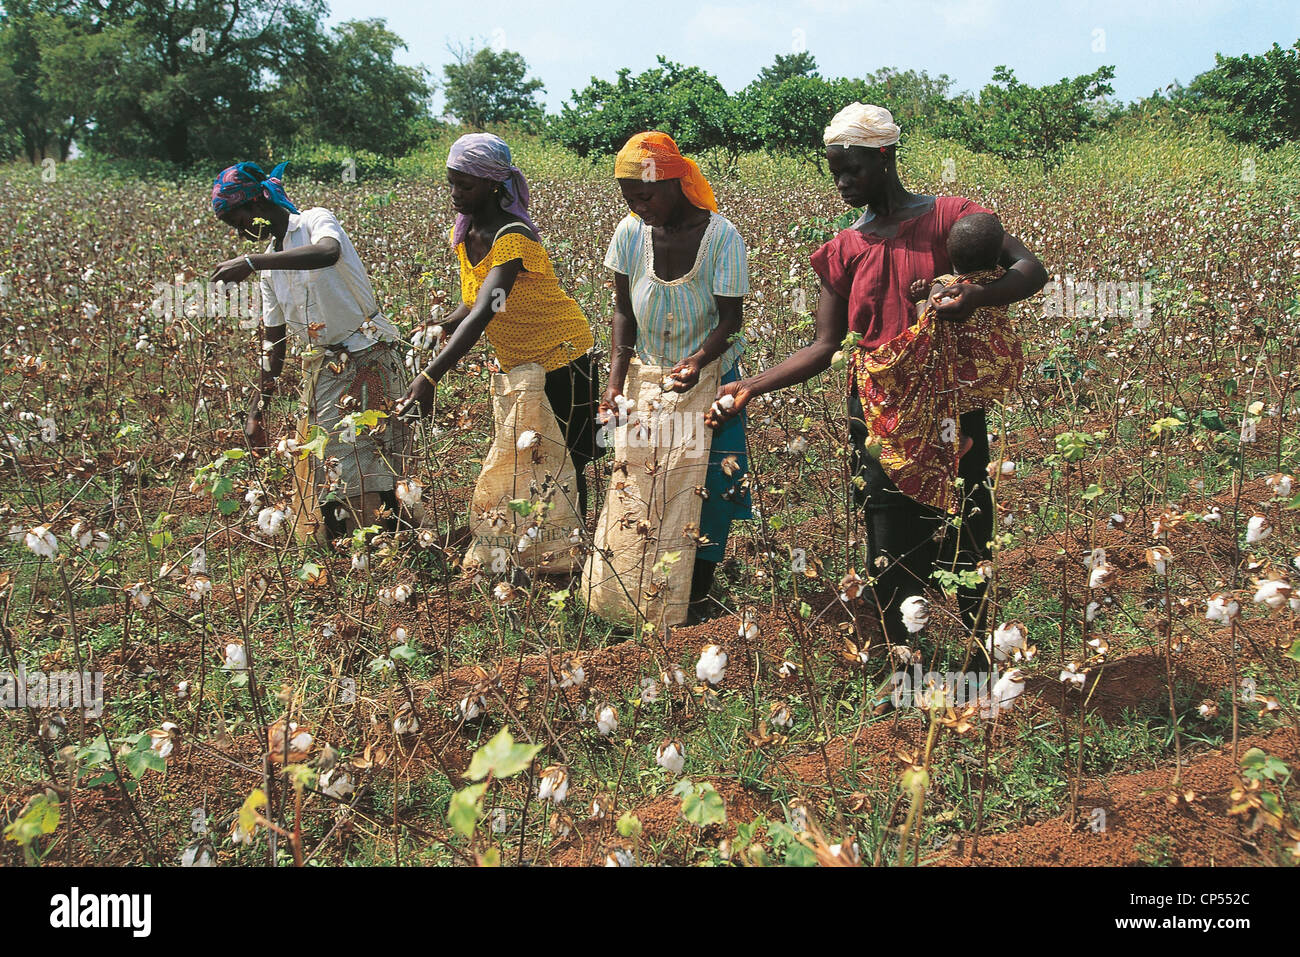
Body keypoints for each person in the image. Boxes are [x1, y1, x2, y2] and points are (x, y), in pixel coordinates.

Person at [707, 104, 1046, 648]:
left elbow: (1031, 269)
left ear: (885, 157)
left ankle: (980, 649)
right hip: (877, 408)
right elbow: (824, 346)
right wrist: (751, 385)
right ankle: (904, 660)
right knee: (887, 528)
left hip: (948, 403)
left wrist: (977, 297)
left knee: (967, 517)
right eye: (834, 171)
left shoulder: (951, 217)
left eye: (853, 169)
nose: (842, 182)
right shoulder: (844, 249)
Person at [397, 133, 603, 516]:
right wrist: (441, 325)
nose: (455, 193)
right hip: (520, 362)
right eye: (452, 182)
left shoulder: (512, 239)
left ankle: (574, 545)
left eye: (465, 184)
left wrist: (430, 377)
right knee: (530, 454)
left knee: (568, 458)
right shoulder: (465, 233)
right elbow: (471, 303)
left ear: (493, 185)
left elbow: (485, 310)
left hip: (561, 355)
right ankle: (544, 538)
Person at [210, 161, 410, 538]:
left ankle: (387, 543)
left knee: (372, 456)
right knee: (330, 462)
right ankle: (359, 547)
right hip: (325, 369)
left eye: (240, 221)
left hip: (368, 351)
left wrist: (252, 262)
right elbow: (274, 341)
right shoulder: (269, 269)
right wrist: (259, 410)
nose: (240, 233)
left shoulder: (315, 221)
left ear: (259, 204)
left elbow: (327, 253)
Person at [602, 131, 752, 618]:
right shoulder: (629, 234)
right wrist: (615, 382)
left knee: (706, 487)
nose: (637, 205)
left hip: (709, 380)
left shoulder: (722, 238)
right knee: (641, 483)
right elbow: (623, 312)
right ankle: (633, 592)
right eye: (629, 197)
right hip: (648, 380)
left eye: (645, 195)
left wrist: (699, 360)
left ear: (675, 183)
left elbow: (731, 320)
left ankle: (694, 597)